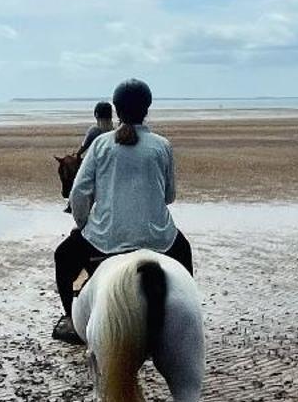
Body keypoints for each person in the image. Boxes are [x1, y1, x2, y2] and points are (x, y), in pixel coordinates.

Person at [52, 77, 193, 344]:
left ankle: (71, 321)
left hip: (105, 239)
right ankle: (187, 319)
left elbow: (79, 193)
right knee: (185, 254)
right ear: (146, 109)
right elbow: (169, 196)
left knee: (62, 258)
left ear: (117, 110)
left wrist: (82, 226)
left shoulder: (101, 144)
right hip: (158, 239)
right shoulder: (162, 145)